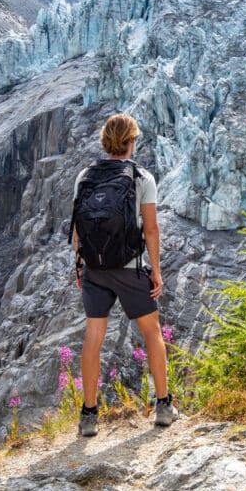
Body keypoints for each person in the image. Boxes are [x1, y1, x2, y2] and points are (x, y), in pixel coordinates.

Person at [69, 113, 177, 437]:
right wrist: (156, 272)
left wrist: (80, 265)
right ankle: (163, 406)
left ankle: (89, 416)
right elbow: (152, 230)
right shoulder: (141, 177)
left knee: (93, 337)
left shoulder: (84, 177)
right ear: (131, 141)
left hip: (95, 270)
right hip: (129, 268)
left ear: (105, 141)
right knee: (152, 332)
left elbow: (77, 228)